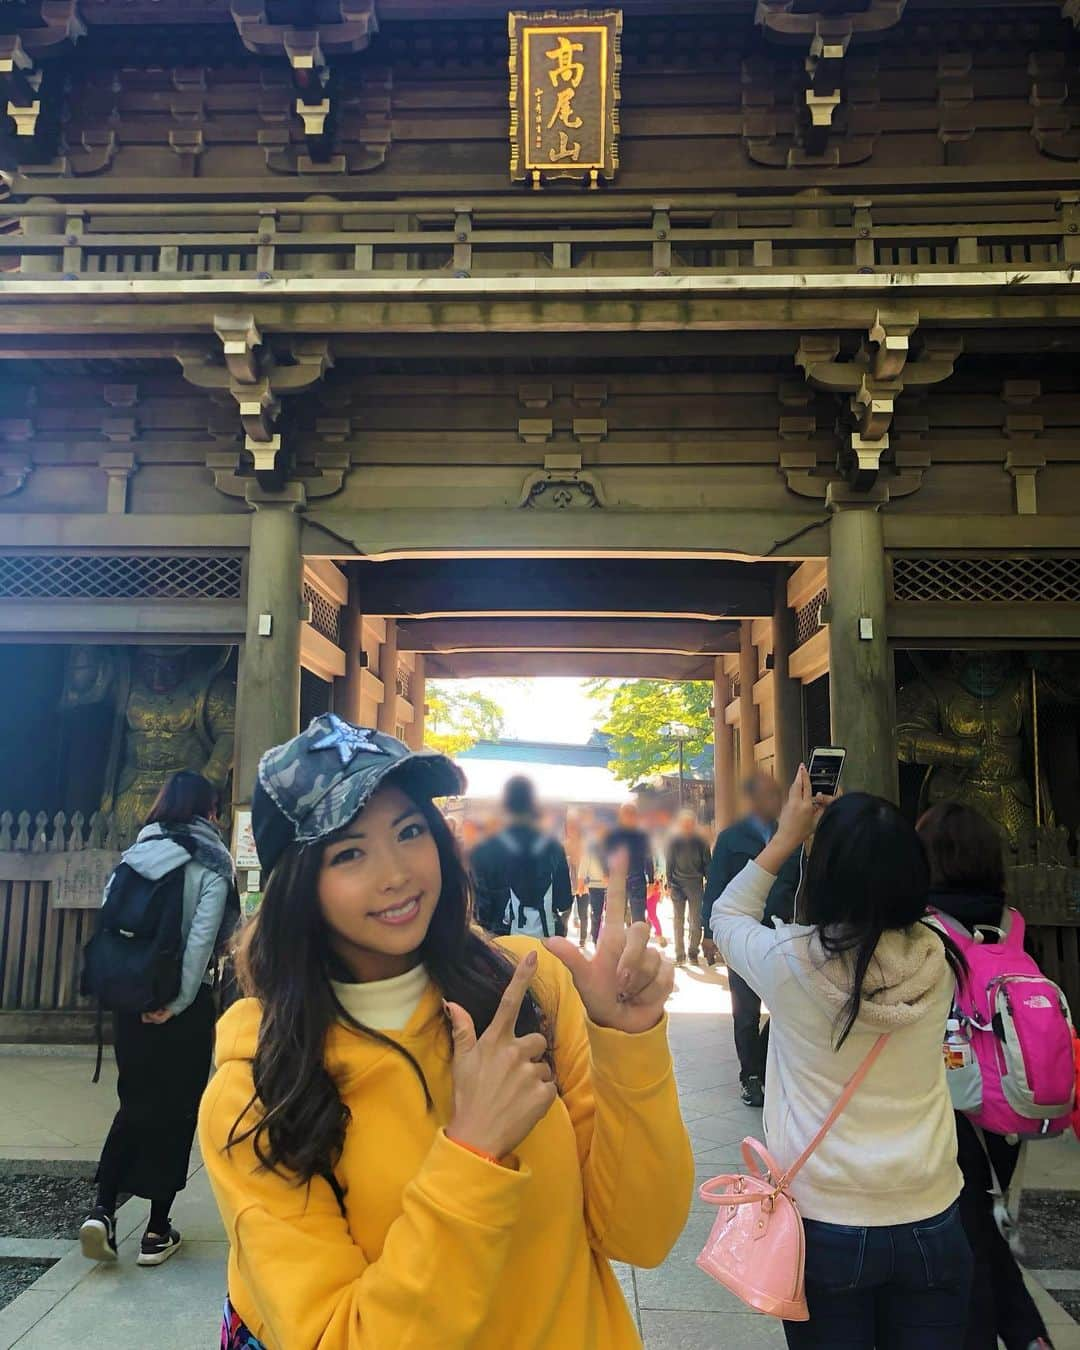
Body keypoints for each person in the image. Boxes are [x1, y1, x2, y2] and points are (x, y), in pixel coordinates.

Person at [197, 717, 695, 1350]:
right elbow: (337, 1337)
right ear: (298, 886)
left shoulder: (527, 989)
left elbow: (641, 1235)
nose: (397, 872)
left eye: (409, 832)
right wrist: (473, 1154)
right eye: (350, 852)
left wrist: (627, 1042)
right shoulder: (260, 1087)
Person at [711, 766, 972, 1349]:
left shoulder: (788, 962)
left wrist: (787, 837)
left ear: (823, 876)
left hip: (825, 1222)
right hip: (930, 1210)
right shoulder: (942, 958)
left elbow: (726, 918)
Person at [79, 770, 237, 1268]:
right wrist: (179, 1001)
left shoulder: (136, 853)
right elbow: (202, 941)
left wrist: (137, 994)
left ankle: (103, 1210)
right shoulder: (213, 860)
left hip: (129, 1000)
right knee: (176, 1109)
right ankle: (155, 1230)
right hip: (181, 1008)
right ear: (209, 811)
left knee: (135, 1099)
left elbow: (111, 924)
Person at [917, 801, 1053, 1350]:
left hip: (951, 1100)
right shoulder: (1014, 923)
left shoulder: (925, 930)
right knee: (983, 1223)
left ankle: (1005, 1335)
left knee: (965, 1236)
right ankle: (1027, 1335)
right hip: (1014, 1099)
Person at [702, 772, 801, 1107]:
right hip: (743, 935)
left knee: (788, 1006)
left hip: (782, 935)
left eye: (777, 795)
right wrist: (708, 932)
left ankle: (764, 1062)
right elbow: (716, 886)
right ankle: (751, 1076)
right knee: (745, 1011)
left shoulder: (792, 836)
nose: (774, 801)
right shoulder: (731, 838)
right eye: (767, 795)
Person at [470, 776, 574, 937]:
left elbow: (481, 909)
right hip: (546, 940)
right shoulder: (553, 846)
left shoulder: (485, 848)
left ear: (504, 806)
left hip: (500, 940)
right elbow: (564, 901)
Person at [665, 809, 711, 964]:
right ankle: (679, 954)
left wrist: (709, 880)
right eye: (684, 824)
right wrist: (669, 882)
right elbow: (669, 863)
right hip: (677, 884)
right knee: (678, 920)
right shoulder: (674, 841)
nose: (687, 827)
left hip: (695, 884)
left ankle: (693, 952)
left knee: (696, 920)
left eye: (690, 824)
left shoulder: (701, 842)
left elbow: (707, 864)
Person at [605, 802, 654, 925]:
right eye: (626, 813)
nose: (629, 816)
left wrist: (652, 880)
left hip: (637, 879)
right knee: (616, 918)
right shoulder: (613, 835)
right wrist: (605, 873)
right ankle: (617, 944)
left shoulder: (642, 836)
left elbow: (648, 858)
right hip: (617, 879)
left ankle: (638, 943)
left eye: (632, 814)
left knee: (638, 917)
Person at [578, 823, 609, 946]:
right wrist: (581, 883)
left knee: (610, 915)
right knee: (596, 913)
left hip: (611, 885)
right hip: (595, 886)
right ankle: (596, 938)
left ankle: (606, 938)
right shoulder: (591, 847)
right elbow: (584, 865)